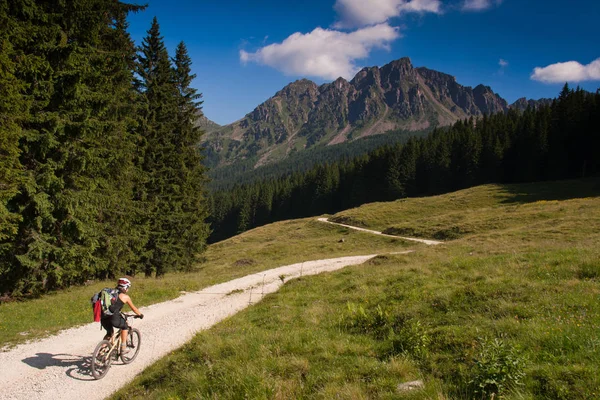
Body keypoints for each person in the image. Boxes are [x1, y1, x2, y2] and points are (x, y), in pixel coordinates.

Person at [101, 277, 144, 355]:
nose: (128, 289)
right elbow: (134, 309)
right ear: (125, 287)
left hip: (104, 317)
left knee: (109, 333)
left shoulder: (110, 293)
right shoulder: (125, 297)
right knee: (125, 327)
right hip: (114, 318)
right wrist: (140, 315)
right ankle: (123, 348)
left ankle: (101, 350)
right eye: (128, 287)